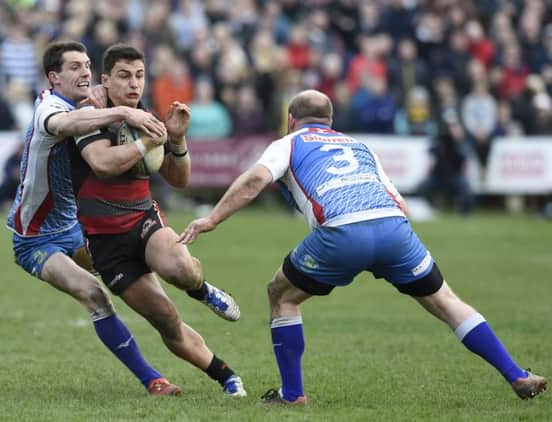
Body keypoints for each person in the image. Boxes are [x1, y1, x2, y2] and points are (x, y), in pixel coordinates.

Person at [179, 89, 547, 404]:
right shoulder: (358, 144)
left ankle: (292, 395)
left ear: (290, 120)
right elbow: (397, 201)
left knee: (281, 294)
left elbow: (255, 179)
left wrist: (211, 219)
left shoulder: (289, 143)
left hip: (341, 232)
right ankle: (515, 373)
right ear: (331, 119)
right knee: (446, 301)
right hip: (394, 229)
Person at [7, 40, 184, 396]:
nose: (84, 72)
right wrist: (125, 114)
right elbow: (66, 123)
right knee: (95, 295)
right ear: (54, 78)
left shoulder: (91, 105)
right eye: (74, 67)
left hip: (75, 227)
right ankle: (152, 379)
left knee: (128, 272)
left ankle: (190, 294)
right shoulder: (50, 107)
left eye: (87, 65)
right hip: (36, 238)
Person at [69, 44, 246, 397]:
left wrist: (176, 140)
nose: (134, 83)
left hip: (143, 220)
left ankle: (203, 290)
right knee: (165, 317)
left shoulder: (147, 119)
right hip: (106, 242)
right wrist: (145, 143)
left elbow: (179, 179)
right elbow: (102, 164)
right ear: (104, 80)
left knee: (181, 268)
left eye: (139, 75)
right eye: (123, 76)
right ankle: (226, 376)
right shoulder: (89, 114)